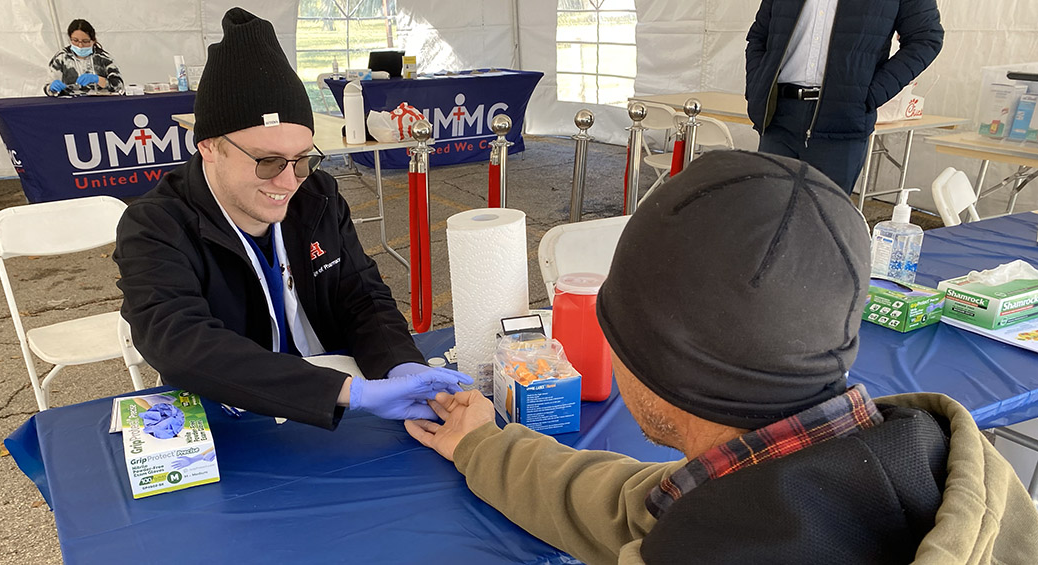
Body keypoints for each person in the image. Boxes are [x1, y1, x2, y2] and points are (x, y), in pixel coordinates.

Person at [406, 151, 1038, 564]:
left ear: (654, 370)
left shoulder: (709, 541)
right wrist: (482, 446)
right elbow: (642, 506)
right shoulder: (941, 460)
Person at [113, 7, 469, 430]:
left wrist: (398, 365)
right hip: (239, 409)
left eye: (302, 159)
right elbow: (181, 344)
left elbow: (361, 295)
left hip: (332, 399)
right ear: (209, 147)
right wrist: (349, 393)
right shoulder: (154, 225)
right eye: (267, 161)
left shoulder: (317, 195)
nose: (288, 181)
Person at [745, 0, 943, 195]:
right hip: (778, 117)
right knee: (768, 216)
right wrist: (757, 85)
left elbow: (926, 38)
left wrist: (870, 93)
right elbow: (758, 36)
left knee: (825, 220)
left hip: (841, 120)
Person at [43, 19, 124, 97]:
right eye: (75, 40)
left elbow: (119, 87)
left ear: (93, 40)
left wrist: (98, 79)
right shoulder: (61, 57)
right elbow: (47, 88)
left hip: (98, 104)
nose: (80, 45)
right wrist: (51, 88)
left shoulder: (103, 58)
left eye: (85, 41)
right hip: (69, 104)